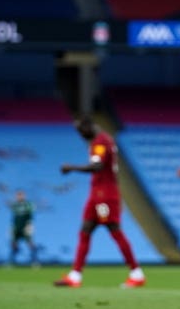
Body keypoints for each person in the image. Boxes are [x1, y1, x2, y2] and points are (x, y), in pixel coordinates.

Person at [53, 116, 146, 288]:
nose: (82, 136)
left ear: (88, 127)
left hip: (105, 195)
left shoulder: (101, 142)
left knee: (114, 230)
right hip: (96, 194)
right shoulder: (100, 141)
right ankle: (75, 275)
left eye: (81, 132)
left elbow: (97, 166)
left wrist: (71, 168)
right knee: (85, 231)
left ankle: (136, 273)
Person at [9, 189, 38, 267]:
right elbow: (14, 217)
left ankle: (34, 261)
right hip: (16, 227)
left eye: (21, 195)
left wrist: (29, 225)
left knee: (30, 243)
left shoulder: (28, 204)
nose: (19, 197)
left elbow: (30, 216)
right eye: (18, 195)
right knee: (13, 244)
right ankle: (12, 262)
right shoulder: (15, 205)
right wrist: (12, 227)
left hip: (26, 227)